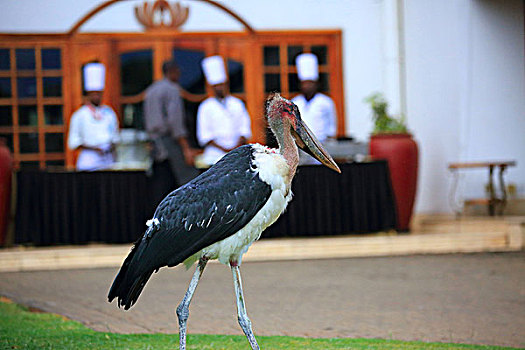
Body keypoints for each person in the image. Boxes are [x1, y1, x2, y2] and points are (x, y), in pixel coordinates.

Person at [143, 59, 199, 186]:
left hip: (154, 147)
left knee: (159, 187)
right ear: (174, 72)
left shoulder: (151, 90)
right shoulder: (172, 89)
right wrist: (186, 148)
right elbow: (175, 122)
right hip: (170, 144)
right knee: (186, 183)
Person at [196, 55, 252, 166]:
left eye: (222, 85)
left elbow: (244, 129)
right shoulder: (205, 106)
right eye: (216, 86)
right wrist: (224, 149)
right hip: (214, 156)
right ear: (211, 87)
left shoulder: (237, 103)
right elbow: (204, 136)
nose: (220, 88)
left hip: (237, 154)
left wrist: (234, 148)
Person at [68, 63, 119, 171]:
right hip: (89, 160)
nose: (96, 96)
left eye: (99, 93)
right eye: (93, 93)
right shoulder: (79, 115)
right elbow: (74, 142)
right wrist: (94, 149)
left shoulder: (109, 112)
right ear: (88, 94)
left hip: (108, 160)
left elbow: (115, 135)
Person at [292, 53, 337, 164]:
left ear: (316, 84)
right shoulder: (295, 102)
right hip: (300, 149)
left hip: (322, 148)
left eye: (310, 83)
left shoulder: (325, 102)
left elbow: (331, 127)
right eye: (304, 83)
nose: (307, 86)